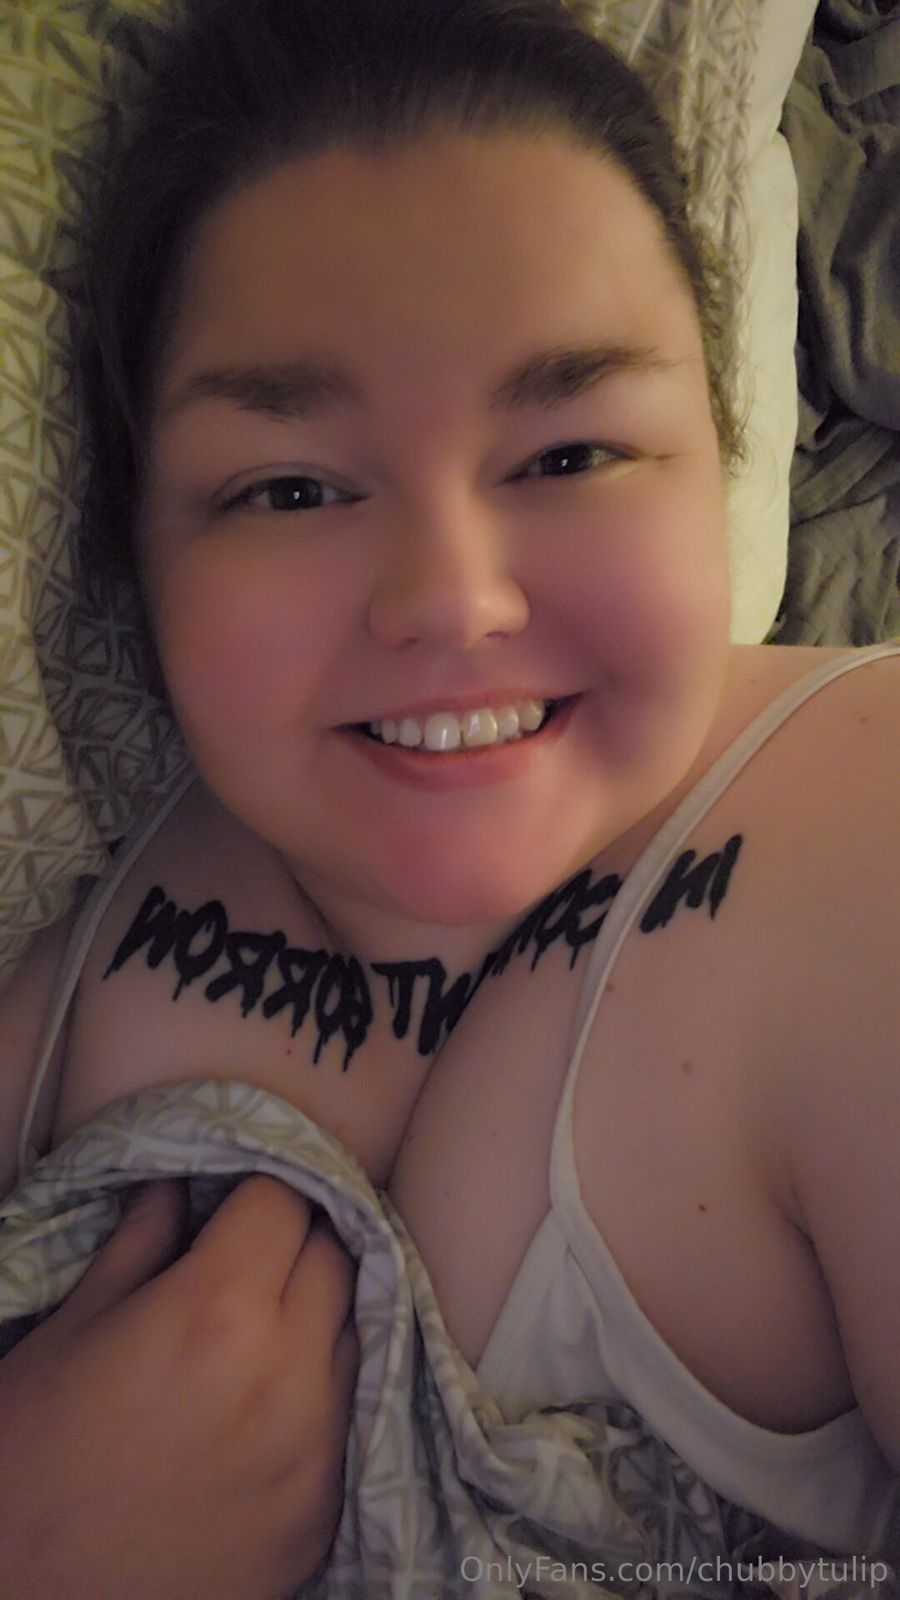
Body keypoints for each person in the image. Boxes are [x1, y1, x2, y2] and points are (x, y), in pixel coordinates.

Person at [1, 0, 898, 1592]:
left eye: (568, 455)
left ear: (716, 451)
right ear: (135, 550)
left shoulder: (865, 829)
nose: (450, 599)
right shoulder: (66, 974)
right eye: (291, 488)